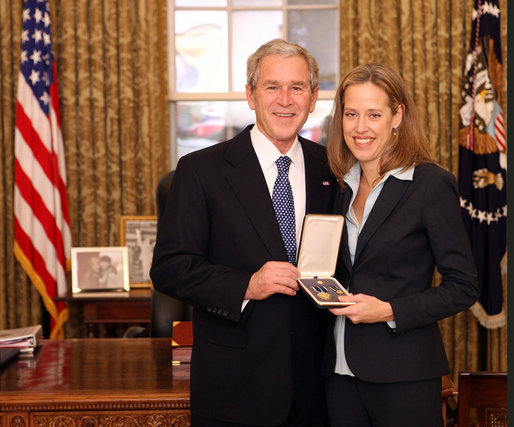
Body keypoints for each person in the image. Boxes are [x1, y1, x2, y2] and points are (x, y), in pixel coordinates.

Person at [150, 39, 334, 426]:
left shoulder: (332, 170)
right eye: (272, 87)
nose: (285, 100)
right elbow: (170, 267)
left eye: (297, 88)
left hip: (320, 391)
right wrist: (247, 285)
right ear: (251, 95)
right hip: (235, 391)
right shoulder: (201, 171)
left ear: (313, 98)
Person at [322, 63, 479, 426]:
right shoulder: (338, 185)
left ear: (397, 116)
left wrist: (390, 310)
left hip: (403, 375)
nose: (360, 127)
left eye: (374, 114)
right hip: (336, 375)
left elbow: (464, 286)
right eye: (351, 114)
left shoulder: (430, 184)